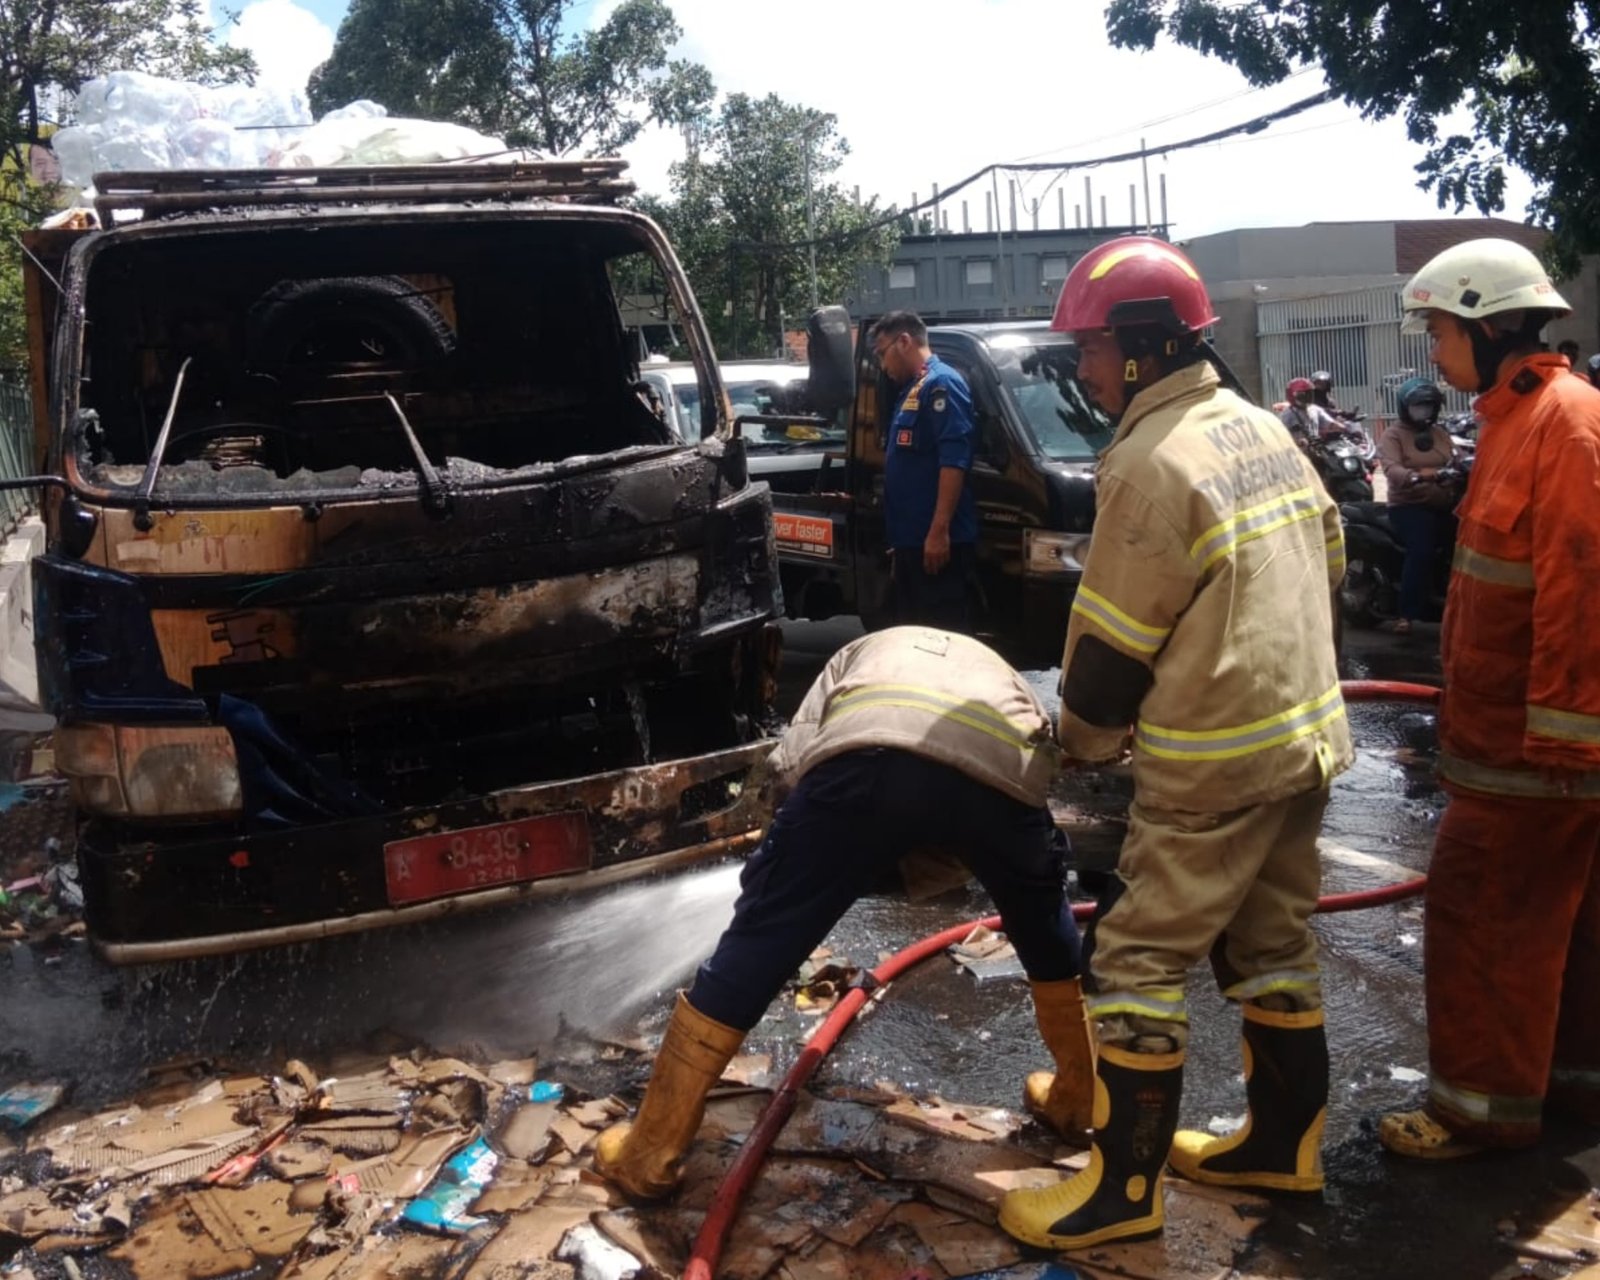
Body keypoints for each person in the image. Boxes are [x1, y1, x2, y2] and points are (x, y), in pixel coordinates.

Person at [997, 237, 1351, 1252]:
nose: (1087, 369)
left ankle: (1119, 1196)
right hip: (1303, 737)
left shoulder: (1150, 463)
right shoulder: (1254, 427)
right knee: (1271, 944)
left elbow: (1109, 644)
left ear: (1146, 347)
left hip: (1214, 761)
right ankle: (1280, 1147)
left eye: (1095, 349)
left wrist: (1081, 742)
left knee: (1134, 961)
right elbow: (1324, 557)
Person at [595, 626, 1093, 1201]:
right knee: (1044, 923)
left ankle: (649, 1152)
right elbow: (1023, 778)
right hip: (1002, 780)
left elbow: (792, 770)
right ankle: (1079, 1099)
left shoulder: (849, 660)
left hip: (866, 765)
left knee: (758, 943)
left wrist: (779, 875)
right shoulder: (1001, 675)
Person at [1378, 238, 1600, 1159]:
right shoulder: (1517, 419)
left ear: (1490, 322)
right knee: (1567, 924)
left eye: (1437, 328)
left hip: (1533, 756)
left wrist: (1565, 741)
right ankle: (1564, 1086)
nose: (1432, 351)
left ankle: (1475, 1111)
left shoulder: (1567, 424)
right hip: (1509, 744)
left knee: (1481, 917)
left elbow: (1583, 591)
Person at [871, 311, 978, 631]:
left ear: (904, 341)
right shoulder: (912, 389)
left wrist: (938, 530)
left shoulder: (942, 384)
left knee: (939, 640)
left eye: (881, 353)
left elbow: (954, 460)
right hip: (913, 545)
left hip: (938, 546)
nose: (881, 365)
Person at [1376, 377, 1460, 635]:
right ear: (1405, 407)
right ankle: (1407, 614)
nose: (1424, 410)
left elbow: (1455, 458)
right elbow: (1391, 467)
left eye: (1429, 405)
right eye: (1418, 405)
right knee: (1421, 549)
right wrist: (1415, 475)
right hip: (1408, 505)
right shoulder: (1393, 435)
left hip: (1443, 502)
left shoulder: (1439, 434)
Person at [1281, 376, 1339, 445]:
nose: (1307, 398)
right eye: (1302, 396)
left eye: (1309, 394)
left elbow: (1331, 423)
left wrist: (1347, 428)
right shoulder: (1288, 414)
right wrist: (1297, 441)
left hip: (1316, 448)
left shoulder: (1314, 409)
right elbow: (1280, 436)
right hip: (1297, 450)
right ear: (1292, 395)